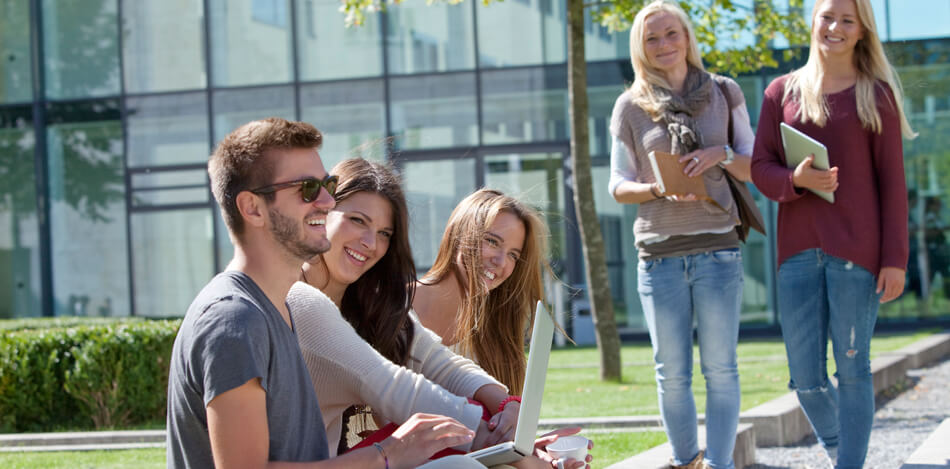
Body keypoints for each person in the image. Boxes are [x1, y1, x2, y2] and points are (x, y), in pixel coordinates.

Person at [166, 118, 480, 469]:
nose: (328, 201)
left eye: (327, 185)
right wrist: (387, 453)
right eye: (307, 188)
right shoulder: (235, 319)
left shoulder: (275, 307)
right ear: (253, 208)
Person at [288, 158, 592, 469]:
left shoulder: (372, 305)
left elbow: (441, 363)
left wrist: (508, 409)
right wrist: (501, 443)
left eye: (384, 233)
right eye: (357, 220)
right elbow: (397, 389)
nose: (370, 242)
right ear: (320, 212)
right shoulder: (301, 301)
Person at [750, 0, 915, 466]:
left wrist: (895, 259)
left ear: (862, 31)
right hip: (797, 253)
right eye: (827, 16)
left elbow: (893, 184)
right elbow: (761, 168)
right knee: (805, 379)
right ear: (813, 21)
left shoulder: (876, 95)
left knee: (854, 369)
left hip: (857, 255)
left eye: (847, 20)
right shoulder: (780, 92)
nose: (835, 27)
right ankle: (847, 454)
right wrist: (796, 180)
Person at [606, 1, 756, 467]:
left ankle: (719, 465)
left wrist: (719, 154)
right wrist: (657, 188)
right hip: (659, 258)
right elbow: (617, 185)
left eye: (671, 33)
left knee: (721, 369)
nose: (664, 44)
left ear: (687, 37)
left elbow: (753, 165)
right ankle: (686, 461)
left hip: (718, 252)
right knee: (671, 374)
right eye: (651, 38)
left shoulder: (724, 92)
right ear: (640, 48)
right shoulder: (630, 106)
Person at [413, 188, 549, 397]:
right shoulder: (391, 305)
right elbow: (367, 408)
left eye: (513, 255)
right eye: (493, 242)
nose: (501, 262)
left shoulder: (497, 330)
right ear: (460, 233)